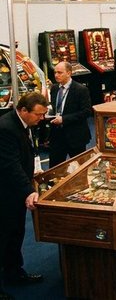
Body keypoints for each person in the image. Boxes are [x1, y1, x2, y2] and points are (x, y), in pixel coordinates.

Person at [0, 93, 49, 296]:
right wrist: (29, 191)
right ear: (23, 111)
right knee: (4, 237)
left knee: (16, 233)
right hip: (5, 193)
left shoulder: (22, 124)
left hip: (15, 191)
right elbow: (10, 165)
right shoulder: (6, 129)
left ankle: (14, 273)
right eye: (38, 114)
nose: (42, 118)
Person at [47, 62, 92, 167]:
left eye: (59, 73)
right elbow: (55, 108)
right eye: (55, 72)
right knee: (54, 168)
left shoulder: (81, 90)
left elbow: (86, 112)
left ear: (69, 73)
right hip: (57, 135)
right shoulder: (54, 88)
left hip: (75, 135)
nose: (56, 75)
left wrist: (64, 119)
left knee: (80, 168)